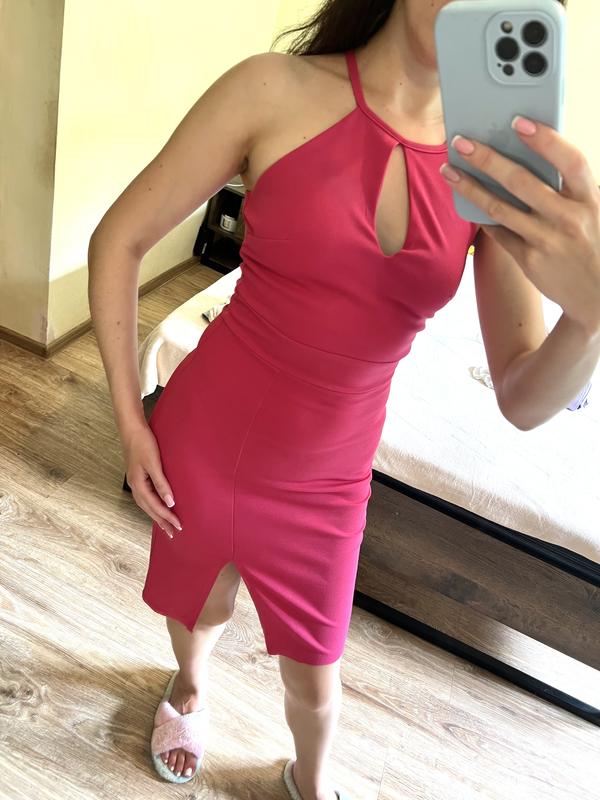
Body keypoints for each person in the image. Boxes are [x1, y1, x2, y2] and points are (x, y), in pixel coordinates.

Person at [89, 0, 600, 798]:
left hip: (329, 481)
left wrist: (591, 314)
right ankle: (188, 688)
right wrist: (129, 421)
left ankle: (312, 779)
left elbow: (525, 398)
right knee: (200, 608)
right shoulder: (272, 90)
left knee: (317, 688)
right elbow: (118, 240)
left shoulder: (492, 173)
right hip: (204, 435)